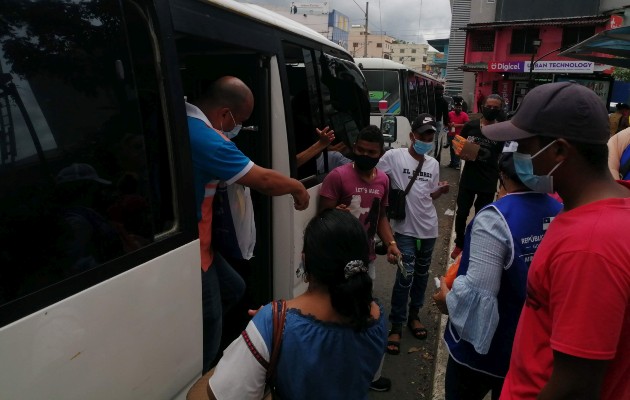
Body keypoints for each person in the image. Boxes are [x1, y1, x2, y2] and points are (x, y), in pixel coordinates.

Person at [481, 82, 630, 399]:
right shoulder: (605, 212)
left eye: (524, 146)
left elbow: (575, 386)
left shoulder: (589, 246)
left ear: (559, 150)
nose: (518, 155)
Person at [186, 76, 310, 374]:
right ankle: (203, 378)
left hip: (203, 246)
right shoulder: (205, 138)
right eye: (238, 121)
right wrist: (298, 188)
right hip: (190, 250)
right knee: (212, 317)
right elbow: (264, 181)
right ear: (225, 113)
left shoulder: (187, 120)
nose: (237, 128)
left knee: (234, 287)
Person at [206, 210, 387, 400]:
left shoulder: (273, 323)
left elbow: (219, 394)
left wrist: (268, 325)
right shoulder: (377, 317)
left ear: (305, 260)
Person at [433, 152, 562, 400]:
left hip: (482, 354)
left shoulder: (496, 218)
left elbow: (477, 296)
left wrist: (446, 298)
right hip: (532, 347)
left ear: (503, 176)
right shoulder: (560, 210)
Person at [319, 124, 400, 392]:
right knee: (332, 317)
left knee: (362, 316)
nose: (365, 154)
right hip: (337, 262)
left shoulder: (383, 180)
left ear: (380, 153)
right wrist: (336, 214)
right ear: (354, 148)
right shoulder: (337, 176)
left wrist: (391, 243)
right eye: (360, 150)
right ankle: (330, 375)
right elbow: (323, 218)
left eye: (371, 152)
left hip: (366, 262)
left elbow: (381, 217)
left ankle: (367, 374)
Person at [376, 113, 450, 356]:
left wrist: (439, 191)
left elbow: (429, 195)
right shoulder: (393, 157)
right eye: (423, 135)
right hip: (404, 229)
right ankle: (396, 323)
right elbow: (376, 177)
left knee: (421, 275)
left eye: (430, 135)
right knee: (405, 275)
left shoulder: (433, 164)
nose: (427, 139)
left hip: (428, 227)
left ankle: (414, 315)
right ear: (411, 136)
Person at [451, 94, 505, 259]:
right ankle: (460, 243)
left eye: (496, 108)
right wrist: (461, 153)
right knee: (462, 214)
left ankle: (474, 244)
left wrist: (503, 185)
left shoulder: (501, 131)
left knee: (482, 218)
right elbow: (457, 143)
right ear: (482, 107)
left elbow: (503, 157)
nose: (492, 110)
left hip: (488, 181)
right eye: (489, 106)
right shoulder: (471, 126)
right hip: (469, 178)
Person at [446, 98, 470, 169]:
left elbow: (466, 124)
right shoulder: (450, 114)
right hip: (451, 135)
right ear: (454, 107)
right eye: (457, 107)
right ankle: (452, 163)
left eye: (460, 107)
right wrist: (449, 124)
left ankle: (456, 164)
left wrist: (457, 125)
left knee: (457, 150)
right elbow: (446, 122)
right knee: (451, 150)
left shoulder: (464, 115)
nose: (458, 109)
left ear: (461, 108)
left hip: (459, 135)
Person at [433, 85, 451, 156]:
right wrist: (446, 124)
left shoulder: (430, 99)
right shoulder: (444, 102)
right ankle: (434, 153)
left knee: (432, 139)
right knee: (436, 139)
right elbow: (446, 115)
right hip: (437, 121)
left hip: (430, 120)